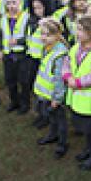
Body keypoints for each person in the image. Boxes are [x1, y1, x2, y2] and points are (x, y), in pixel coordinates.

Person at [63, 15, 91, 171]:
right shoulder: (76, 47)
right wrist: (67, 77)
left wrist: (78, 82)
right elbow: (66, 63)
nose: (77, 32)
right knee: (87, 129)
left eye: (81, 30)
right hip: (80, 100)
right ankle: (88, 150)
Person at [35, 17, 70, 159]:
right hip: (46, 94)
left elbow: (59, 79)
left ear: (57, 36)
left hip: (55, 97)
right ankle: (52, 135)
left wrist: (57, 98)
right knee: (52, 118)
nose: (43, 37)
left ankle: (62, 143)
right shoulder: (47, 49)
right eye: (42, 34)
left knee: (60, 120)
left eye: (47, 35)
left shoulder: (60, 54)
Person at [25, 0, 55, 128]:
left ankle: (47, 116)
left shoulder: (50, 22)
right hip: (32, 58)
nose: (37, 10)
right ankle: (40, 113)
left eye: (40, 7)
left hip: (44, 61)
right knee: (36, 88)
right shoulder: (32, 21)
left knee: (45, 90)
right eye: (34, 7)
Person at [0, 0, 30, 114]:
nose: (11, 6)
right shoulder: (3, 18)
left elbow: (31, 38)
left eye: (14, 3)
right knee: (10, 80)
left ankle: (25, 104)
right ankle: (14, 102)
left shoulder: (26, 17)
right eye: (8, 3)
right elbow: (0, 35)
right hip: (8, 55)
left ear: (20, 2)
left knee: (23, 81)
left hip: (21, 55)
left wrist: (19, 41)